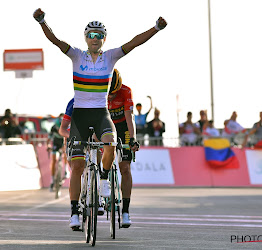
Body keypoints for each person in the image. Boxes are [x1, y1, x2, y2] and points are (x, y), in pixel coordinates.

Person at [33, 8, 166, 229]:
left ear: (104, 38)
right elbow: (55, 40)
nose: (95, 38)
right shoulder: (76, 54)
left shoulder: (111, 56)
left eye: (99, 35)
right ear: (86, 38)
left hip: (101, 114)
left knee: (111, 145)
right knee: (77, 167)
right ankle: (75, 212)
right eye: (91, 35)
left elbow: (134, 43)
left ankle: (104, 179)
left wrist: (156, 28)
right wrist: (42, 21)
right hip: (81, 117)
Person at [59, 69, 139, 228]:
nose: (110, 97)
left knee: (125, 168)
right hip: (101, 126)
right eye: (108, 94)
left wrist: (133, 139)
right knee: (92, 152)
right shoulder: (91, 95)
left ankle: (125, 211)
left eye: (113, 94)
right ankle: (95, 192)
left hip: (121, 127)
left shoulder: (125, 91)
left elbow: (129, 117)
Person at [47, 114, 65, 191]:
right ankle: (52, 179)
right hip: (56, 143)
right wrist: (48, 146)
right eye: (58, 129)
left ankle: (66, 170)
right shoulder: (53, 128)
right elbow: (49, 139)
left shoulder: (67, 127)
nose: (59, 131)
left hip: (63, 142)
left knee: (66, 153)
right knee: (54, 159)